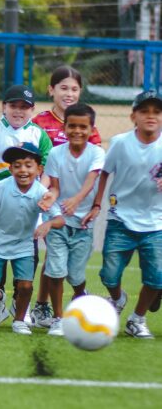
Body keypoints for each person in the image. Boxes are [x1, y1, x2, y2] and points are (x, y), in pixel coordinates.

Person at [0, 84, 53, 325]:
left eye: (24, 107)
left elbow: (47, 163)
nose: (18, 111)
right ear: (3, 107)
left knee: (28, 255)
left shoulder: (39, 134)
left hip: (28, 207)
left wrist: (43, 192)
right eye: (13, 106)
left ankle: (19, 304)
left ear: (33, 110)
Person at [0, 143, 64, 335]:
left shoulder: (41, 192)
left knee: (25, 285)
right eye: (17, 165)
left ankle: (19, 320)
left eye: (28, 165)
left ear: (39, 169)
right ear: (10, 169)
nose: (23, 170)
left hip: (23, 243)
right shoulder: (1, 187)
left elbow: (59, 219)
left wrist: (47, 224)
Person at [82, 90, 162, 339]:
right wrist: (97, 204)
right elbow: (105, 172)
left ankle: (137, 319)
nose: (151, 116)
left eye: (157, 112)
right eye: (144, 111)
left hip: (156, 223)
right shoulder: (120, 142)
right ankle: (118, 298)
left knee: (157, 278)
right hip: (121, 219)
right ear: (133, 116)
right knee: (109, 274)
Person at [30, 66, 102, 328]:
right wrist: (44, 192)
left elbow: (94, 167)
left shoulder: (86, 125)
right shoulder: (39, 122)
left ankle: (46, 305)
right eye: (63, 88)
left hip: (78, 207)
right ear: (51, 90)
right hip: (47, 198)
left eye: (74, 88)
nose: (69, 93)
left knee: (58, 261)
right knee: (52, 256)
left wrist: (92, 201)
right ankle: (42, 306)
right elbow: (37, 161)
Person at [42, 103, 105, 336]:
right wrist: (50, 198)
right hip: (59, 221)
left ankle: (81, 298)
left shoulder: (97, 153)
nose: (77, 131)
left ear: (91, 129)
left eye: (83, 127)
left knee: (75, 275)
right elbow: (56, 187)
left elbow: (91, 179)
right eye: (72, 126)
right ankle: (58, 318)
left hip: (84, 225)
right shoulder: (56, 153)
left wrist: (78, 200)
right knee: (56, 270)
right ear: (65, 127)